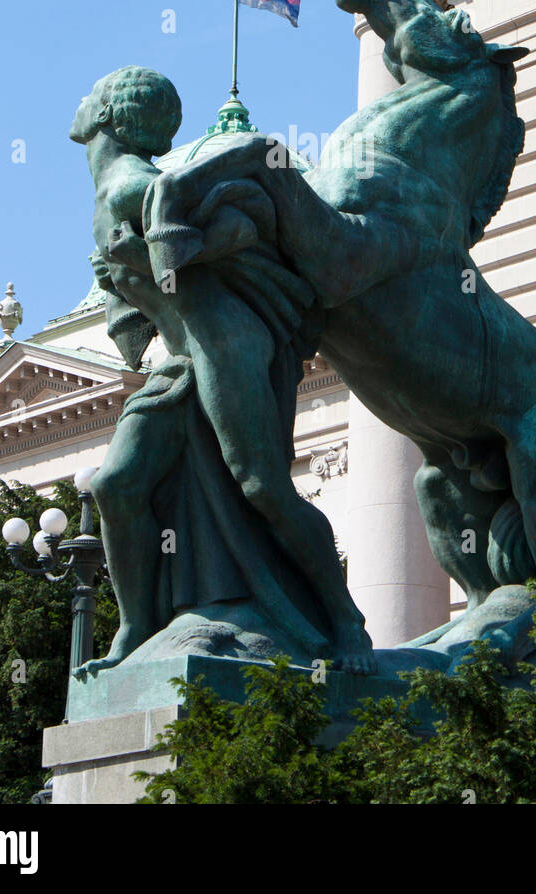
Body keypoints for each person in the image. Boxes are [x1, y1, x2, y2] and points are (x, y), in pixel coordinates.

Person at [69, 67, 375, 674]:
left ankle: (345, 621)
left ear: (105, 115)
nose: (78, 102)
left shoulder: (136, 185)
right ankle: (136, 627)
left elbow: (243, 222)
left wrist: (172, 252)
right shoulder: (112, 192)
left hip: (224, 345)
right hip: (181, 359)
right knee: (116, 485)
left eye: (90, 94)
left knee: (262, 486)